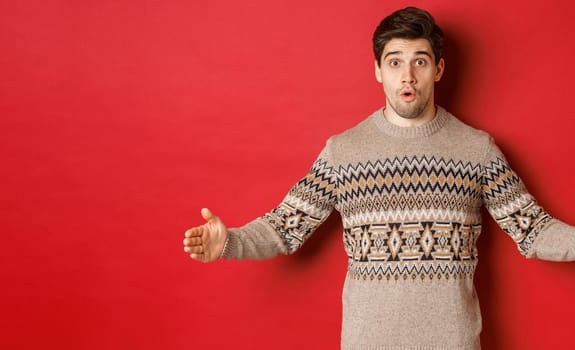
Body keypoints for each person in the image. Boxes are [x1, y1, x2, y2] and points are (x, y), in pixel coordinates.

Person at [182, 6, 575, 350]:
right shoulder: (343, 152)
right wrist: (230, 241)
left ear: (438, 69)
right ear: (377, 70)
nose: (407, 75)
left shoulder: (477, 150)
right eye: (394, 62)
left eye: (420, 61)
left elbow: (533, 231)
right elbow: (285, 227)